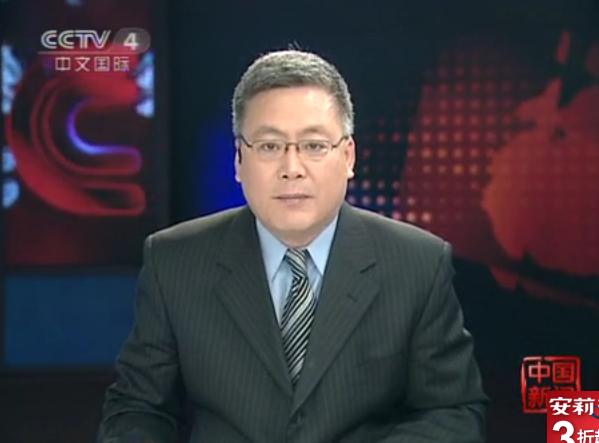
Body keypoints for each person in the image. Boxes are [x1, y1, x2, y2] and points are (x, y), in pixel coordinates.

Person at [98, 49, 488, 443]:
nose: (292, 168)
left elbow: (451, 411)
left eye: (314, 146)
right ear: (238, 160)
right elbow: (138, 409)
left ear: (348, 156)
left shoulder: (417, 264)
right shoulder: (174, 262)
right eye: (269, 146)